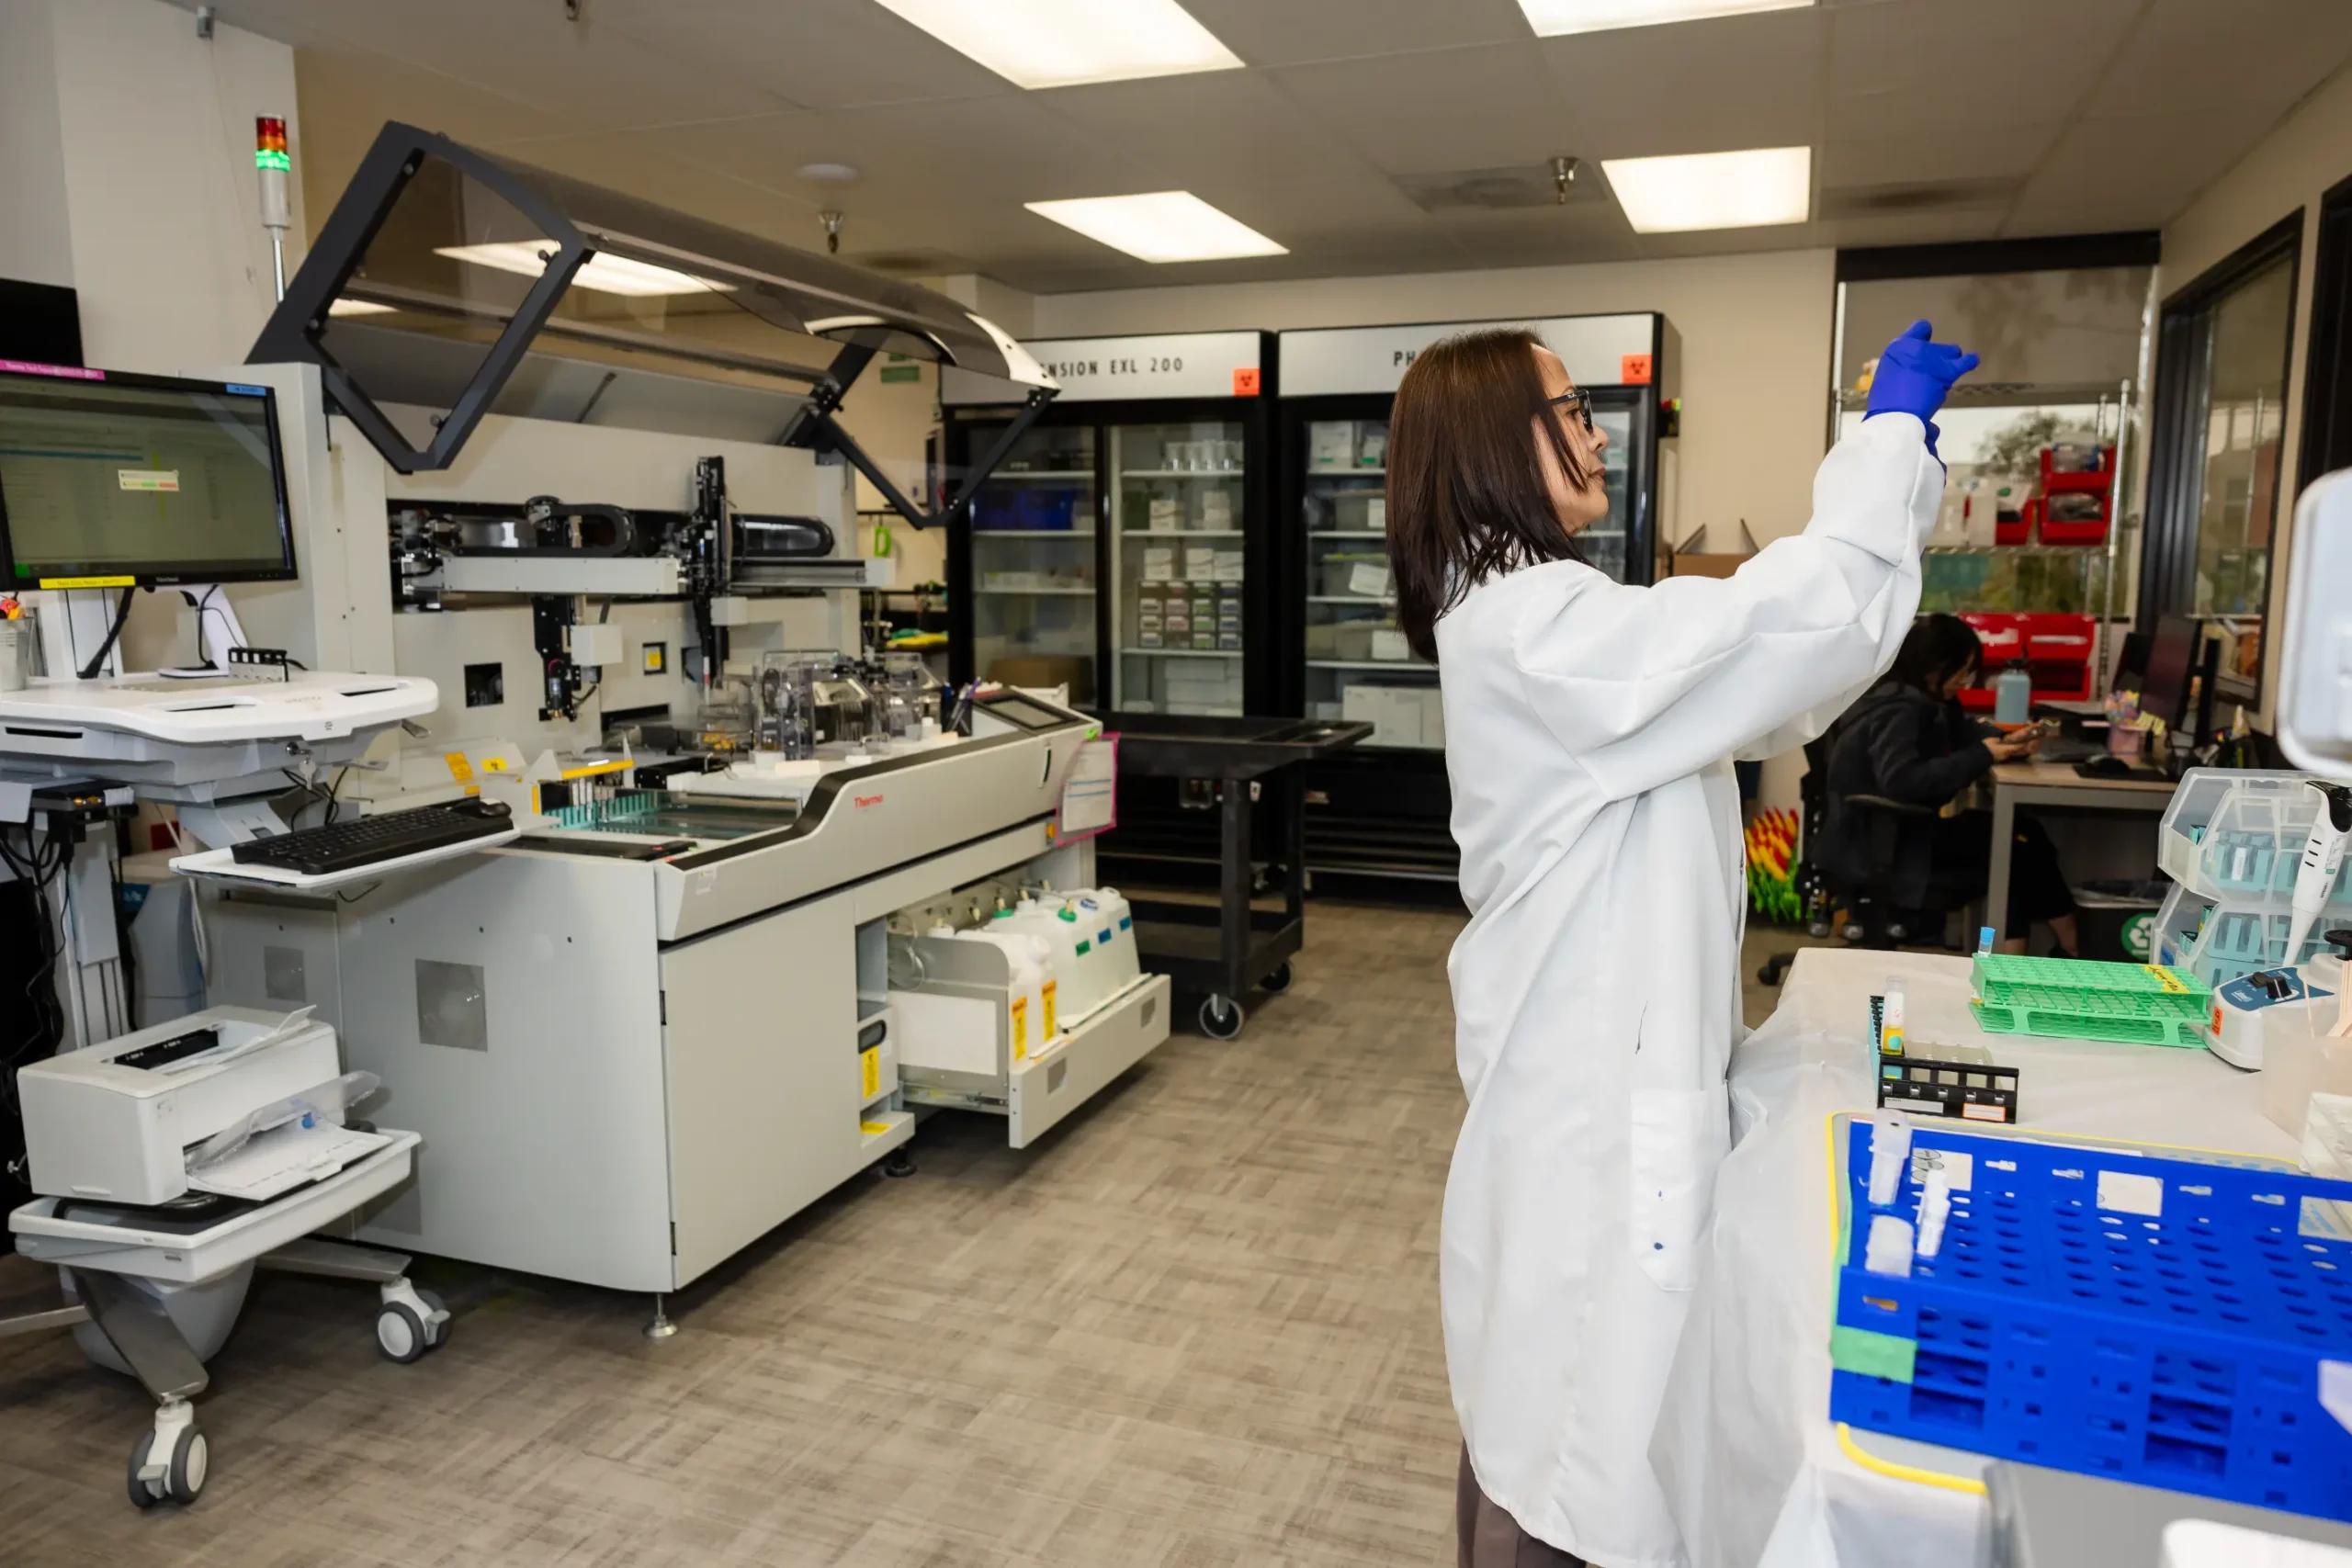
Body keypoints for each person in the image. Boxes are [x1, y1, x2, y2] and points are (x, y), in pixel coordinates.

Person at [1387, 320, 1975, 1568]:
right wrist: (1884, 442)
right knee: (1576, 1436)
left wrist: (1896, 461)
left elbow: (1776, 680)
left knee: (1565, 1409)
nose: (1595, 434)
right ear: (1493, 439)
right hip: (1591, 1117)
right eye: (1567, 410)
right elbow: (1781, 627)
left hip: (1593, 1086)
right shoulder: (1539, 630)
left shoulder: (1551, 617)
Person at [1821, 613, 2081, 955]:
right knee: (2015, 850)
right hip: (1888, 849)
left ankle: (2061, 949)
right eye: (1962, 670)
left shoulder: (1920, 699)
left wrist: (2006, 739)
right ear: (1935, 666)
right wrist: (1983, 755)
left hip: (1902, 834)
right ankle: (2068, 948)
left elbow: (1961, 732)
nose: (1965, 681)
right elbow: (1903, 780)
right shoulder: (1899, 710)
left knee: (2021, 834)